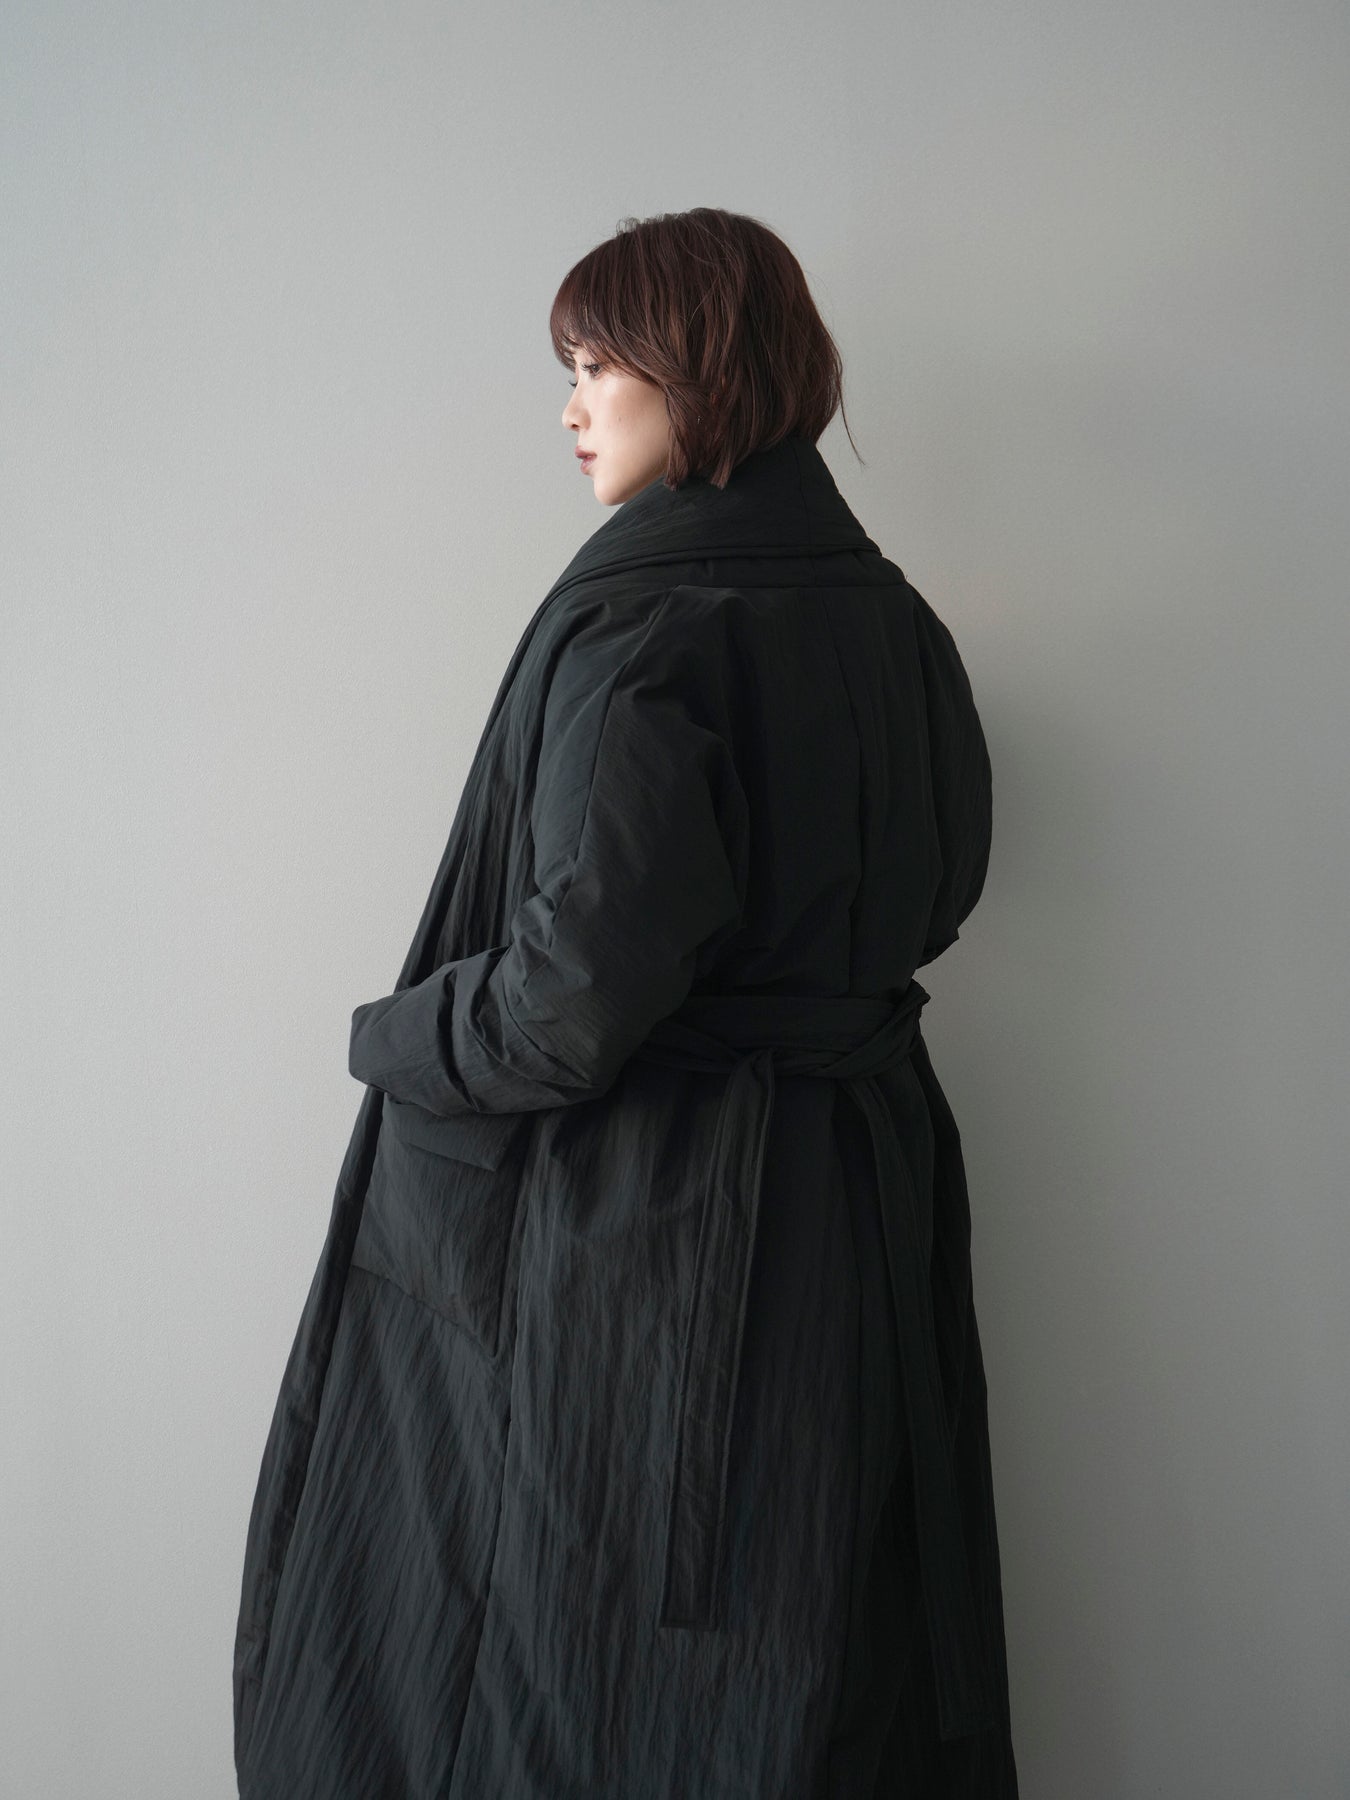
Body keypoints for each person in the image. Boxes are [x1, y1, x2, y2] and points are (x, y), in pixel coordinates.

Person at [233, 206, 1019, 1798]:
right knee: (826, 1646)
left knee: (597, 1672)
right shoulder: (901, 625)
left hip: (659, 1236)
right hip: (856, 1192)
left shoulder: (648, 625)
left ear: (695, 366)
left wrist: (393, 1034)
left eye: (595, 365)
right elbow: (938, 896)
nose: (571, 407)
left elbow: (567, 1001)